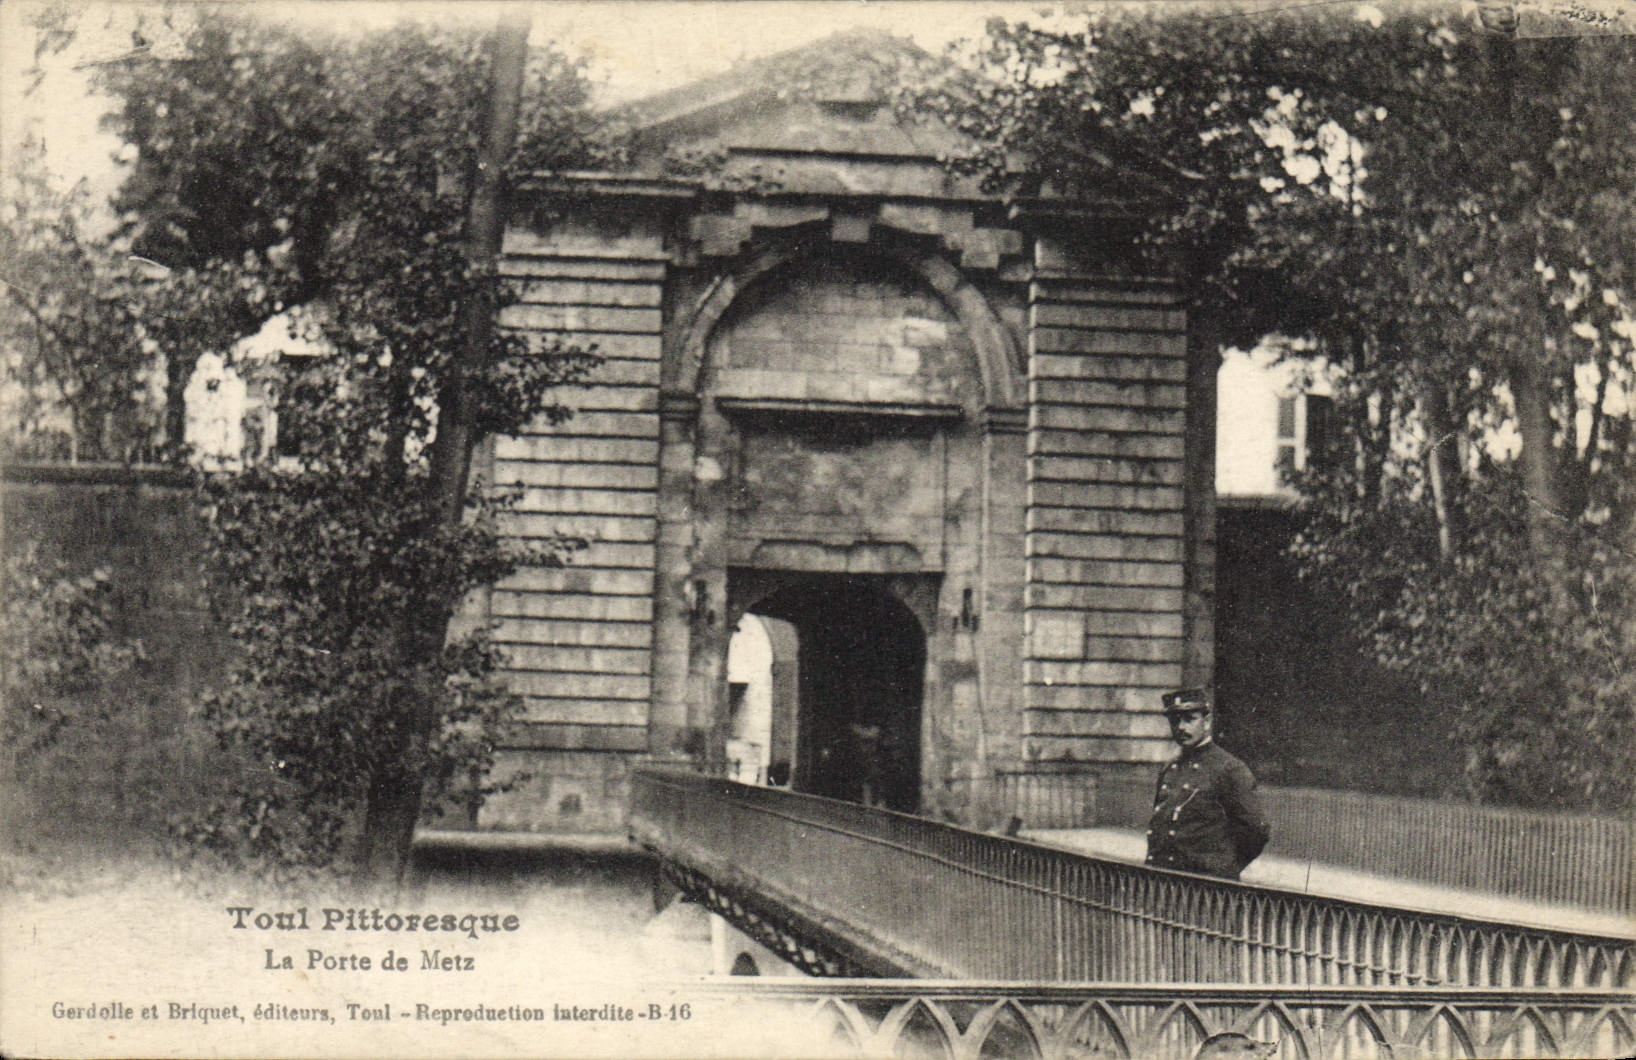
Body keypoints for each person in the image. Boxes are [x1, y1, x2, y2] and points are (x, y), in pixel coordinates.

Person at [1145, 687, 1270, 880]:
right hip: (1165, 883)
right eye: (1175, 720)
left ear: (1207, 721)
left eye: (1189, 719)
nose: (1181, 727)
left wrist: (1223, 867)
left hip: (1204, 885)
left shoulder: (1229, 769)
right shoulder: (1170, 768)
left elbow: (1256, 830)